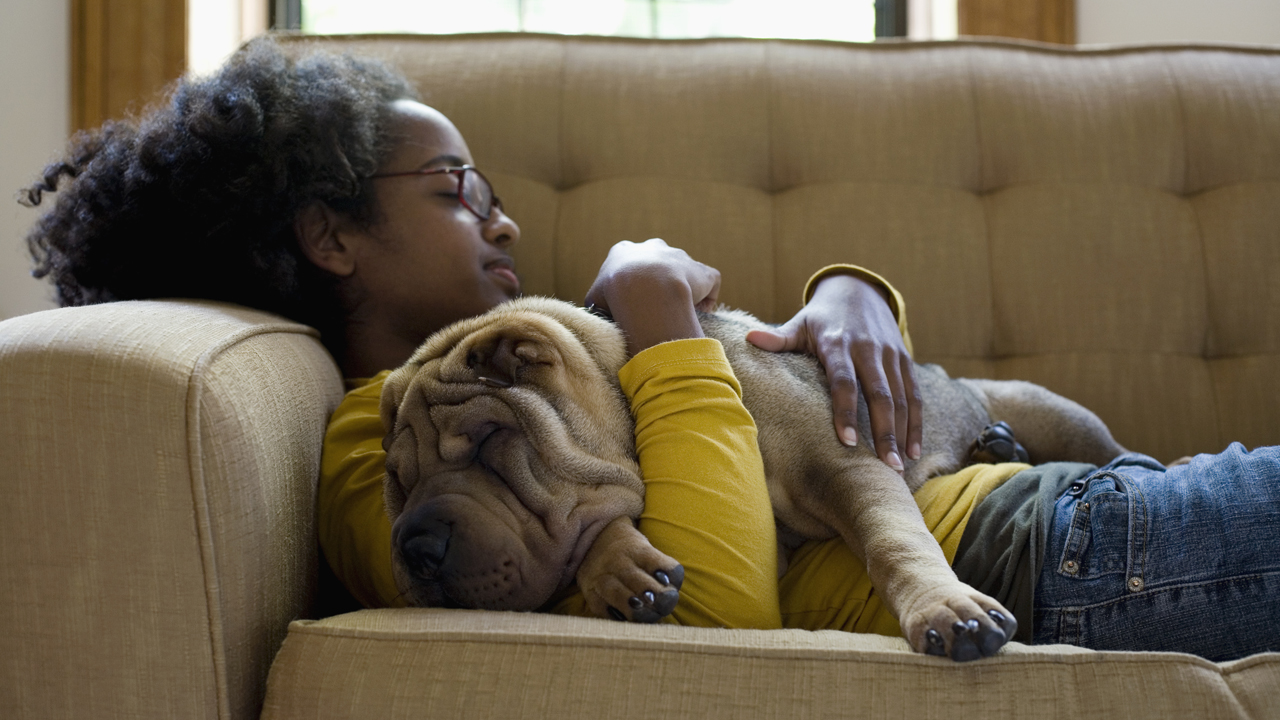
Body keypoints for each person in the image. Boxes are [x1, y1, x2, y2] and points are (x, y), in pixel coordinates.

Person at [20, 38, 1279, 663]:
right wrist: (662, 322)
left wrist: (851, 293)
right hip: (1032, 553)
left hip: (1038, 496)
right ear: (329, 235)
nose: (501, 222)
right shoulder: (370, 440)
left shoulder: (534, 351)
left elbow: (772, 401)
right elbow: (714, 601)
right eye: (456, 192)